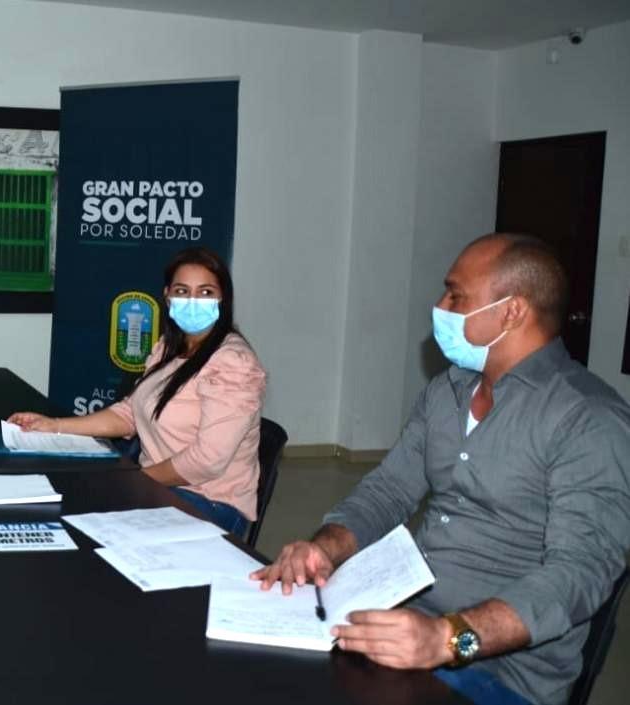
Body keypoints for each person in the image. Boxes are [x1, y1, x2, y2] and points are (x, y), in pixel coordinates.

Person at [251, 234, 630, 705]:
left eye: (456, 295)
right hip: (405, 619)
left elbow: (580, 573)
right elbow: (388, 491)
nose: (441, 307)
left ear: (511, 312)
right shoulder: (447, 392)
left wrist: (449, 639)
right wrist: (326, 548)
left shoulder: (588, 419)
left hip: (500, 670)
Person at [8, 247, 266, 536]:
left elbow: (207, 460)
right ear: (167, 296)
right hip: (158, 489)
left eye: (205, 292)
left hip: (208, 503)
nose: (193, 301)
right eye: (182, 291)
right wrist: (53, 425)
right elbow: (129, 413)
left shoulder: (233, 362)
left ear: (223, 299)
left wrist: (135, 480)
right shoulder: (169, 349)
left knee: (85, 531)